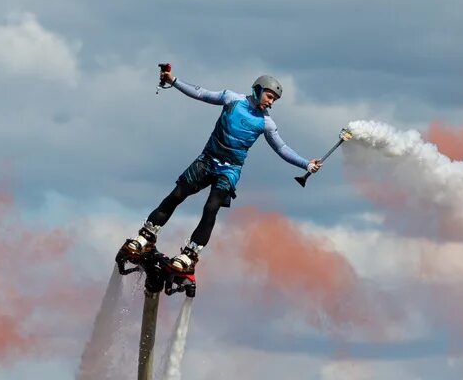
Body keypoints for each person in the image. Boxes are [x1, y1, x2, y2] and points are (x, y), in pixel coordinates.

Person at [121, 65, 323, 273]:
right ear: (258, 89)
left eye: (274, 100)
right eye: (269, 96)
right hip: (207, 160)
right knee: (177, 194)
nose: (271, 102)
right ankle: (146, 235)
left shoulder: (267, 124)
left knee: (211, 208)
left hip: (230, 170)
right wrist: (173, 81)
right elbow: (201, 94)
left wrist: (306, 164)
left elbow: (281, 148)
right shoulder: (231, 99)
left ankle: (191, 253)